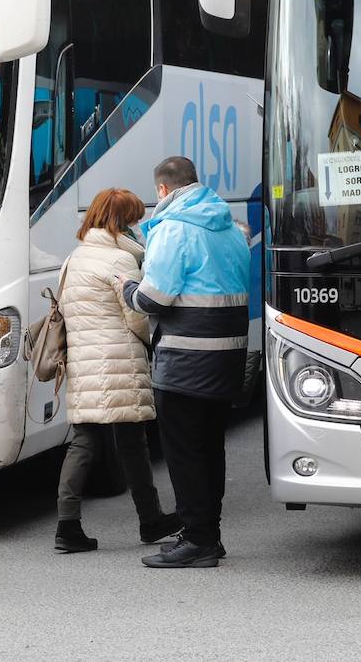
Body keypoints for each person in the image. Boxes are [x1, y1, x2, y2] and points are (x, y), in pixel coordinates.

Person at [121, 156, 249, 569]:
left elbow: (153, 299)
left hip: (184, 359)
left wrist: (127, 287)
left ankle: (198, 541)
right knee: (211, 449)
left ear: (162, 190)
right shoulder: (229, 227)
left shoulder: (173, 229)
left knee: (184, 454)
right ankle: (208, 533)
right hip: (228, 356)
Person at [54, 188, 180, 554]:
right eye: (134, 219)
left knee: (84, 442)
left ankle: (67, 525)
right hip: (119, 359)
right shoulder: (120, 261)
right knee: (133, 445)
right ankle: (150, 519)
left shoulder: (73, 259)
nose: (137, 226)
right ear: (121, 222)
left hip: (84, 361)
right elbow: (136, 317)